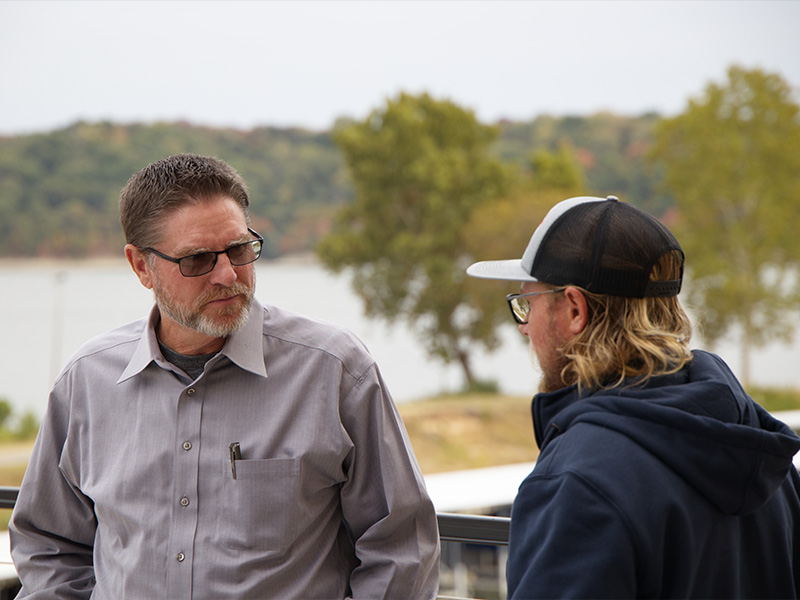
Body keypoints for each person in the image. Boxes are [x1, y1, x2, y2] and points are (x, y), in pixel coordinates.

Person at [10, 153, 440, 599]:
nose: (228, 274)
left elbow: (402, 548)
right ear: (141, 266)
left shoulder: (334, 371)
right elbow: (49, 546)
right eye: (197, 260)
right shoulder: (86, 382)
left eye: (239, 249)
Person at [466, 195, 800, 598]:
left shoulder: (578, 485)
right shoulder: (757, 449)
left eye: (526, 304)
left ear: (574, 309)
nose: (524, 328)